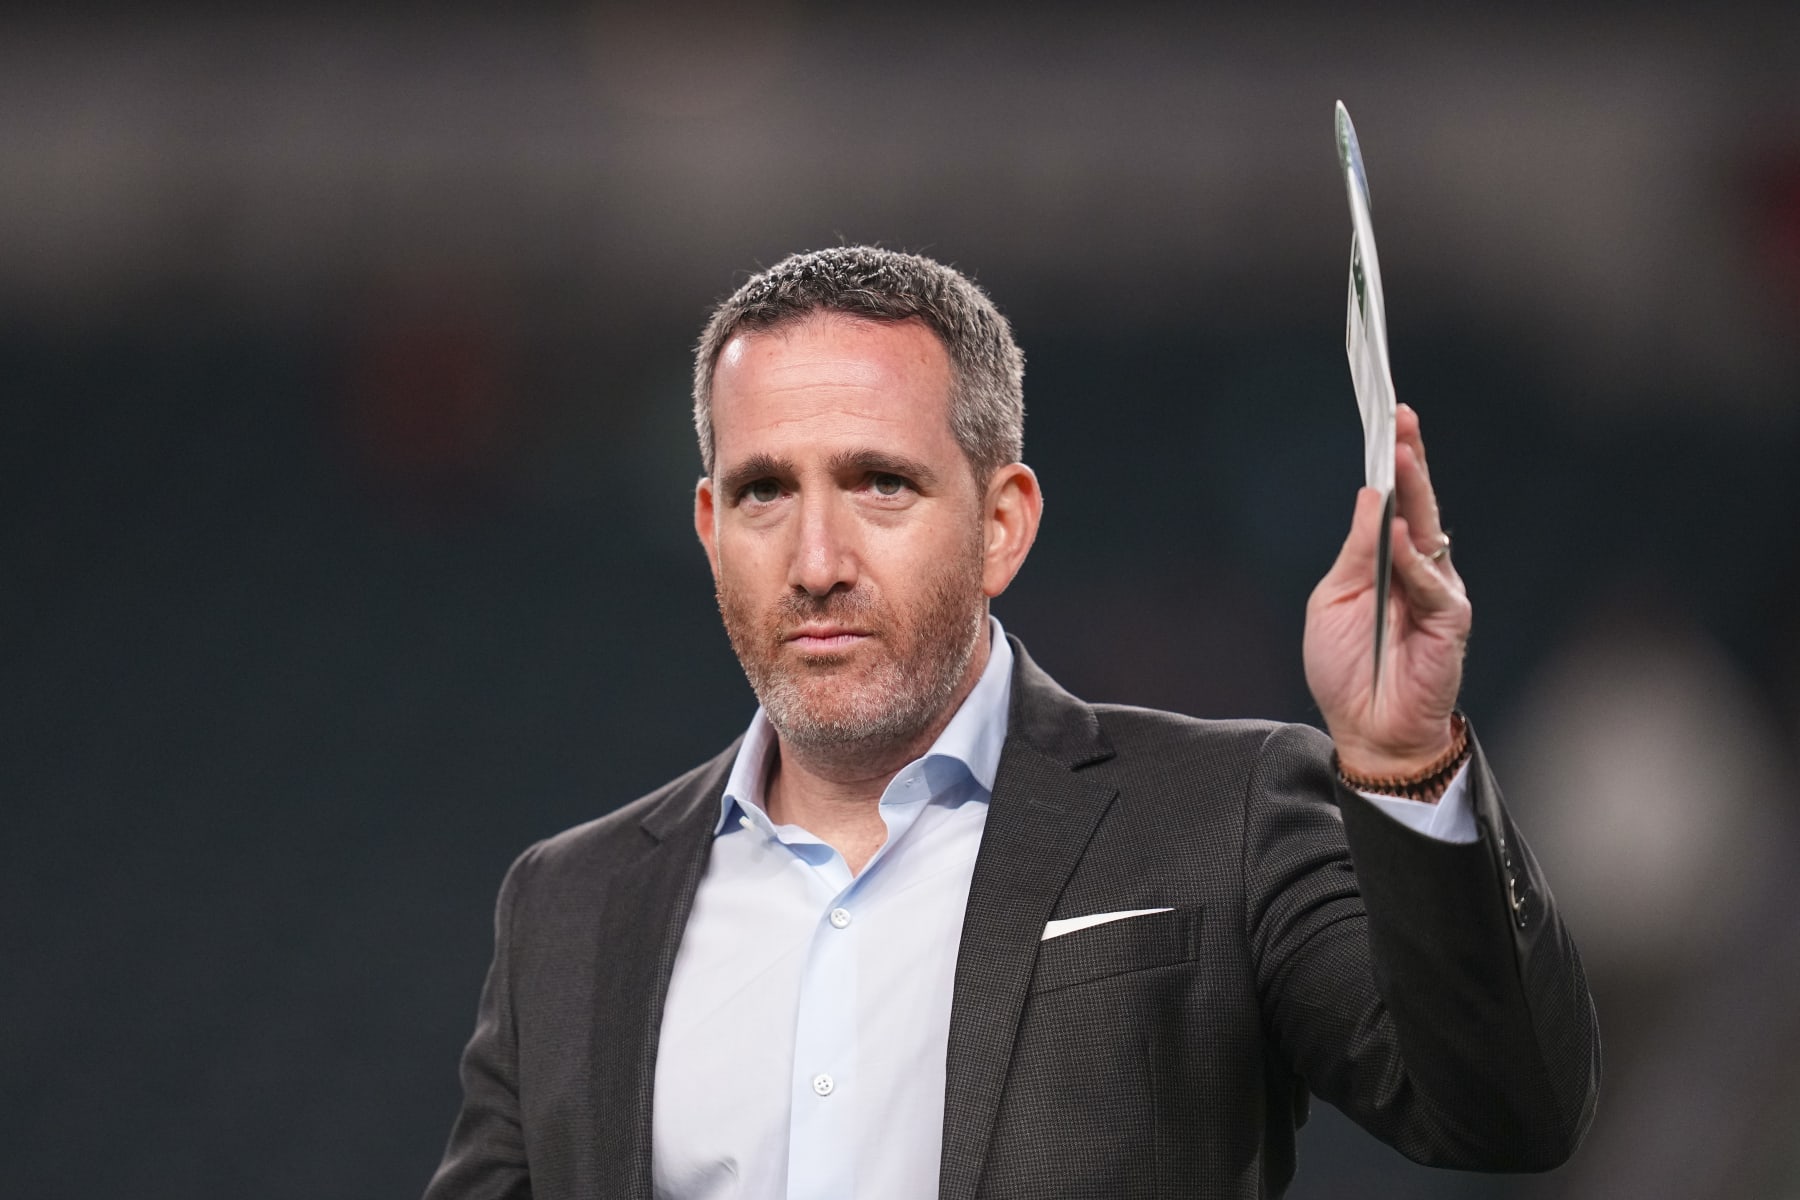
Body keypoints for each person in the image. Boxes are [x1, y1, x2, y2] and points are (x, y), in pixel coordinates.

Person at [422, 246, 1599, 1200]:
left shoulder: (1223, 814)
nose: (817, 561)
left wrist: (1401, 764)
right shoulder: (569, 905)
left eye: (882, 482)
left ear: (1002, 524)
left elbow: (1503, 1112)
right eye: (764, 491)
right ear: (708, 527)